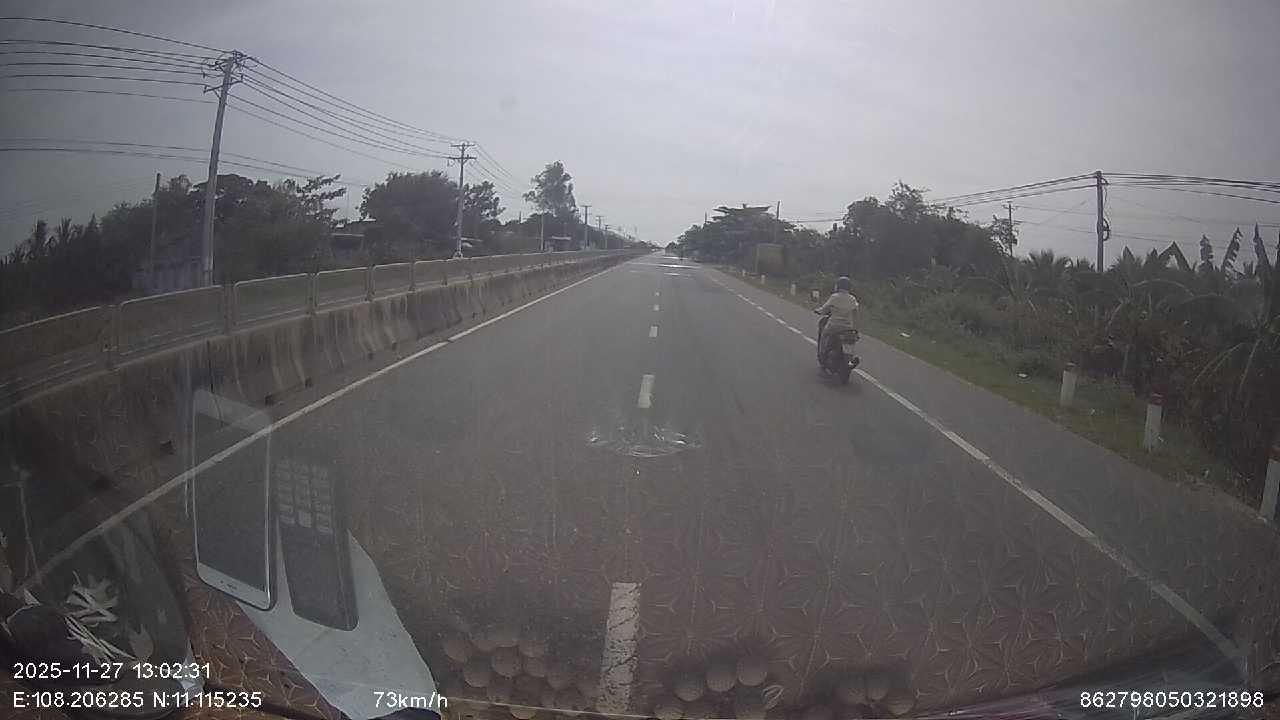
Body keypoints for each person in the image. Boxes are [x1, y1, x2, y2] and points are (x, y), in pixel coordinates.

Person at [814, 276, 860, 368]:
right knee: (851, 342)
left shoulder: (834, 297)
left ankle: (823, 355)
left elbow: (824, 308)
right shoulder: (852, 299)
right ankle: (850, 360)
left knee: (824, 335)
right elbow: (856, 311)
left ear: (838, 286)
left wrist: (818, 311)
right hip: (848, 328)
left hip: (834, 326)